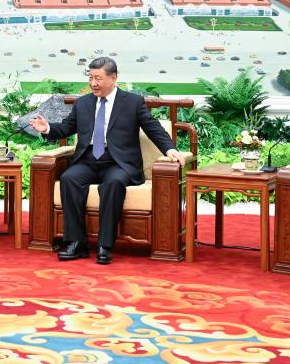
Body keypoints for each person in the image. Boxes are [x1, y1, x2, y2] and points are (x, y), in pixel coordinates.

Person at [29, 57, 188, 264]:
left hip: (118, 163)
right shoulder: (83, 102)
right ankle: (77, 243)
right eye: (90, 78)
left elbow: (152, 127)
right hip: (88, 161)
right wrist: (48, 128)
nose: (93, 83)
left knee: (113, 183)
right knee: (69, 178)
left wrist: (170, 149)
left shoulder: (132, 102)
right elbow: (68, 127)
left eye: (98, 78)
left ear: (113, 78)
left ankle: (105, 245)